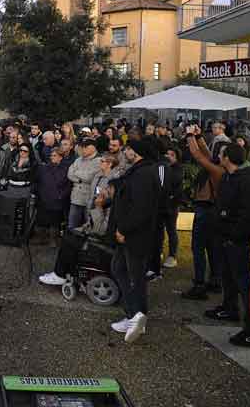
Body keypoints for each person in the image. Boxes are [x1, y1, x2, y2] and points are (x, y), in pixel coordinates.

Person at [206, 143, 250, 348]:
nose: (218, 157)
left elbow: (249, 215)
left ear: (227, 158)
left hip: (237, 241)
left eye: (221, 154)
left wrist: (234, 235)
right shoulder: (230, 177)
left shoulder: (248, 181)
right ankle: (229, 308)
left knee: (244, 284)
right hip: (225, 238)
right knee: (228, 278)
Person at [109, 138, 160, 344]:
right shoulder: (138, 171)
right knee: (119, 268)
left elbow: (141, 208)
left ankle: (137, 316)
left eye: (129, 149)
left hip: (135, 235)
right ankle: (133, 315)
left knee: (134, 275)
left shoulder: (143, 174)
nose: (126, 151)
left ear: (137, 153)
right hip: (130, 233)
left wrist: (124, 229)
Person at [183, 134, 228, 300]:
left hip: (206, 210)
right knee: (213, 248)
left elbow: (198, 155)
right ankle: (215, 281)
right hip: (213, 211)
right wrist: (199, 135)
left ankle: (199, 284)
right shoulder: (219, 166)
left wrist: (189, 136)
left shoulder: (217, 170)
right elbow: (207, 153)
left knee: (199, 248)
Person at [35, 148, 72, 233]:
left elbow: (68, 185)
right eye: (51, 155)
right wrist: (40, 193)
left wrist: (60, 195)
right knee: (42, 221)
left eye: (54, 156)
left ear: (60, 157)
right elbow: (38, 181)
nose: (52, 157)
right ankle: (41, 238)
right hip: (44, 199)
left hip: (57, 201)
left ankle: (53, 240)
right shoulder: (45, 168)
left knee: (54, 223)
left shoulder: (66, 169)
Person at [67, 138, 100, 229]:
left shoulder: (98, 161)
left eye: (85, 147)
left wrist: (76, 172)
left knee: (88, 226)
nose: (82, 149)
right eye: (82, 147)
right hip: (75, 198)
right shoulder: (78, 160)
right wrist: (80, 179)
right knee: (72, 226)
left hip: (89, 199)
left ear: (93, 147)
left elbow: (89, 177)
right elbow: (69, 174)